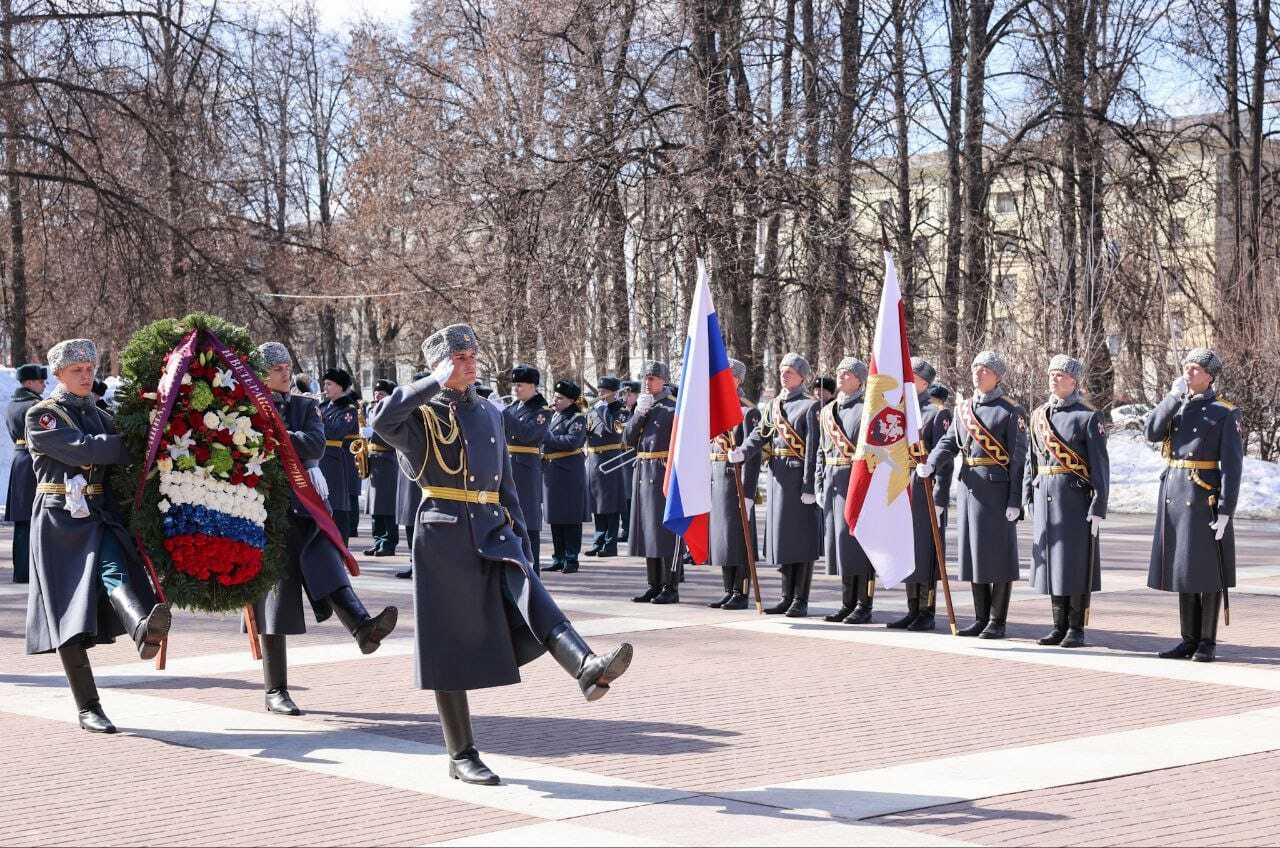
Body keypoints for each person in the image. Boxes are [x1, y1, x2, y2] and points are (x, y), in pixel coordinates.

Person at [369, 324, 633, 785]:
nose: (470, 364)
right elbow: (381, 421)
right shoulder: (421, 414)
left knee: (529, 590)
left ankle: (586, 667)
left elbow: (504, 479)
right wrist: (433, 381)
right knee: (446, 644)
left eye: (472, 356)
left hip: (493, 526)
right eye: (459, 358)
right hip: (443, 531)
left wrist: (524, 540)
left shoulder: (490, 412)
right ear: (440, 364)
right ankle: (461, 753)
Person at [24, 339, 172, 733]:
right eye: (77, 370)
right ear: (58, 375)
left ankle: (143, 628)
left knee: (113, 567)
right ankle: (88, 706)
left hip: (98, 513)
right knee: (67, 614)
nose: (86, 375)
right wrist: (138, 444)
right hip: (59, 521)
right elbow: (85, 450)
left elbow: (116, 454)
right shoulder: (43, 416)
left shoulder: (100, 412)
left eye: (90, 369)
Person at [254, 343, 399, 715]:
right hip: (267, 512)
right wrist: (287, 440)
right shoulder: (251, 407)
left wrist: (277, 437)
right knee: (276, 598)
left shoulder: (304, 406)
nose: (286, 373)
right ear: (262, 374)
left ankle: (363, 629)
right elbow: (251, 446)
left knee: (327, 566)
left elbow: (315, 444)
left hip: (305, 510)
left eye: (288, 366)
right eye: (277, 369)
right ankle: (276, 690)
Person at [919, 350, 1027, 638]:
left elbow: (1018, 459)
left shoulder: (1010, 410)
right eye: (976, 369)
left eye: (985, 370)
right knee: (974, 554)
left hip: (997, 490)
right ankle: (980, 617)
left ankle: (997, 620)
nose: (978, 374)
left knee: (999, 557)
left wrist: (1015, 499)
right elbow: (950, 442)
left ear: (998, 376)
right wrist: (932, 461)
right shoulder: (964, 409)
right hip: (969, 488)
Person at [1146, 348, 1241, 663]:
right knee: (1183, 569)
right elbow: (1151, 432)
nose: (1189, 372)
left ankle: (1206, 642)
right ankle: (1188, 639)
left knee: (1208, 571)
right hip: (1175, 494)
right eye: (1186, 367)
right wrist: (1172, 399)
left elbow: (1231, 466)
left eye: (1196, 368)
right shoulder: (1177, 405)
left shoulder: (1224, 412)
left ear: (1210, 376)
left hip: (1203, 497)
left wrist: (1226, 510)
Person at [1023, 355, 1109, 648]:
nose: (1054, 378)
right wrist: (1027, 495)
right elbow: (1031, 461)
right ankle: (1058, 625)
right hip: (1045, 496)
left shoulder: (1087, 417)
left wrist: (1098, 506)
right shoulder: (1039, 416)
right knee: (1052, 564)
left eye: (1060, 375)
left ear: (1074, 381)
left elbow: (1100, 466)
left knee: (1073, 564)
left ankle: (1076, 627)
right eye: (1051, 374)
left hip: (1074, 498)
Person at [732, 352, 822, 617]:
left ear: (802, 376)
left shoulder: (810, 406)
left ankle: (800, 599)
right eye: (782, 370)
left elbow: (813, 449)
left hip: (798, 480)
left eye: (790, 371)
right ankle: (786, 596)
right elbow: (760, 435)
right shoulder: (773, 405)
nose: (784, 374)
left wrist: (810, 486)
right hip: (778, 478)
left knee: (801, 541)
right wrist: (743, 451)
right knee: (783, 540)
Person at [813, 357, 877, 624]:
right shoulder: (828, 411)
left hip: (856, 482)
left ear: (860, 380)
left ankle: (864, 604)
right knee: (840, 545)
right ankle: (846, 602)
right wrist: (818, 482)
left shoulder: (867, 409)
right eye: (839, 372)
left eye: (848, 373)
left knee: (858, 545)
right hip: (832, 482)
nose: (841, 376)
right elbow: (820, 450)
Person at [893, 358, 954, 631]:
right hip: (902, 485)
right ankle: (912, 608)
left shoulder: (937, 413)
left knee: (925, 551)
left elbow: (945, 460)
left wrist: (939, 498)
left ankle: (927, 610)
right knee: (906, 547)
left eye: (911, 376)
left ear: (924, 382)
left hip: (924, 488)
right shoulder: (900, 412)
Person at [708, 359, 762, 610]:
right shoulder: (714, 410)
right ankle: (728, 589)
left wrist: (749, 493)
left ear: (737, 380)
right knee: (723, 539)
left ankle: (741, 592)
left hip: (735, 481)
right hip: (718, 477)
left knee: (738, 540)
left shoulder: (748, 412)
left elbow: (753, 457)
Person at [624, 361, 680, 603]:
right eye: (646, 378)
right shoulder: (643, 406)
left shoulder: (673, 407)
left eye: (653, 378)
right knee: (648, 529)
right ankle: (654, 584)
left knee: (664, 531)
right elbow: (627, 439)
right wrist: (638, 414)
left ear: (663, 380)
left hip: (663, 470)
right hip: (643, 469)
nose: (648, 382)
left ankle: (671, 585)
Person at [503, 364, 551, 571]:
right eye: (515, 385)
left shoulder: (541, 410)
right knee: (508, 519)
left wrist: (505, 415)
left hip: (526, 468)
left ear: (533, 386)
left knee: (528, 521)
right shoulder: (514, 407)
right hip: (509, 466)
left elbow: (529, 435)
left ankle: (533, 571)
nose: (516, 389)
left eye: (520, 385)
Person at [542, 380, 589, 574]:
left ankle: (571, 559)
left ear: (571, 400)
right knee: (556, 516)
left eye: (560, 398)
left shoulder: (577, 418)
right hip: (552, 470)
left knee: (570, 517)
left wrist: (546, 436)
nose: (556, 400)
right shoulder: (552, 415)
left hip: (569, 471)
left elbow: (572, 441)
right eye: (555, 396)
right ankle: (558, 557)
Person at [5, 363, 45, 583]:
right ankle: (31, 570)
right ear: (29, 382)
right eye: (40, 381)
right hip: (33, 460)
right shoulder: (36, 405)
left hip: (18, 459)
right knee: (34, 517)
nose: (43, 384)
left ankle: (21, 570)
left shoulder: (12, 405)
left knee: (22, 520)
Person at [585, 376, 628, 557]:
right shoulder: (594, 409)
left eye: (604, 392)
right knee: (597, 504)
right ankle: (598, 540)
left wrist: (603, 410)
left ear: (613, 393)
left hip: (611, 459)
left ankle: (610, 545)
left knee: (610, 504)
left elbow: (615, 429)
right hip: (594, 459)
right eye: (599, 391)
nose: (600, 394)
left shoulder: (620, 410)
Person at [318, 368, 359, 544]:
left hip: (337, 461)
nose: (325, 387)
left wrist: (318, 419)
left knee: (338, 503)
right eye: (324, 383)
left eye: (329, 384)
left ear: (340, 387)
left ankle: (341, 545)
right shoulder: (323, 406)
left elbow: (336, 431)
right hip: (321, 459)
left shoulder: (348, 408)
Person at [394, 373, 427, 579]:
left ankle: (425, 564)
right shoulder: (406, 409)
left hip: (425, 471)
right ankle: (413, 562)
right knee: (408, 518)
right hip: (407, 468)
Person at [363, 379, 400, 556]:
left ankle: (388, 542)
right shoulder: (371, 409)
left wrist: (374, 434)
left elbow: (393, 436)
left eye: (382, 393)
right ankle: (378, 540)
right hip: (374, 460)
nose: (377, 395)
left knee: (386, 504)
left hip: (387, 458)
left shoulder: (394, 411)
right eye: (376, 392)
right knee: (374, 505)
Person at [618, 381, 639, 543]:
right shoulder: (623, 412)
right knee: (625, 495)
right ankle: (626, 527)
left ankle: (634, 528)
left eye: (629, 394)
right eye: (624, 394)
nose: (626, 398)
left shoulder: (641, 410)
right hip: (624, 457)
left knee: (634, 495)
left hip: (636, 456)